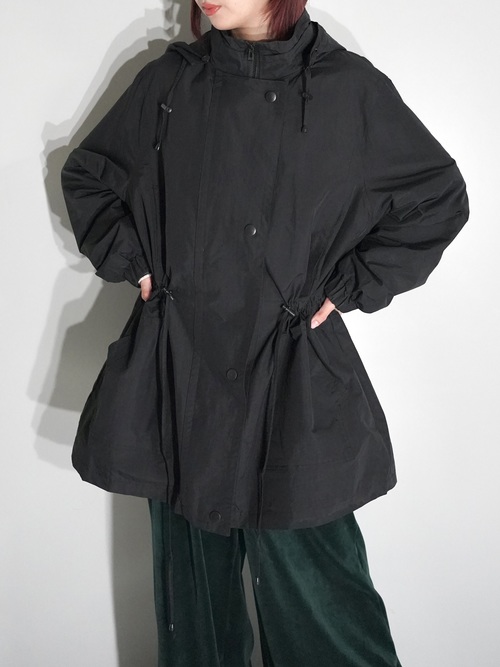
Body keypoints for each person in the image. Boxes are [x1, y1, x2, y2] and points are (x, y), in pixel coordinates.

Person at [61, 1, 469, 665]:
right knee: (196, 634)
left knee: (328, 627)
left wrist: (350, 285)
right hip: (181, 384)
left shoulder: (349, 89)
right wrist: (136, 264)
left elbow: (438, 197)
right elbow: (89, 175)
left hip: (291, 388)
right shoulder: (170, 82)